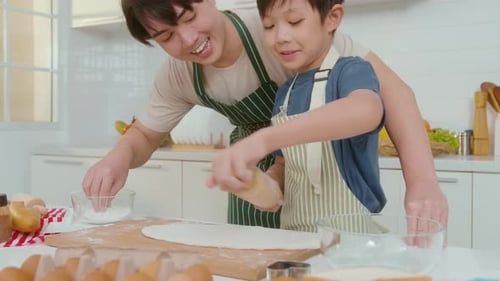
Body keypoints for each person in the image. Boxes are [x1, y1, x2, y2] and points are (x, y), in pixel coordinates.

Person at [82, 0, 448, 233]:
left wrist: (423, 181)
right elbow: (145, 134)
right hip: (265, 180)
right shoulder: (179, 74)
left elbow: (386, 98)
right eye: (166, 36)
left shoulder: (279, 28)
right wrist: (118, 158)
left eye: (189, 17)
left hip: (336, 210)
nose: (189, 39)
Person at [208, 0, 385, 232]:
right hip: (295, 238)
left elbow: (366, 110)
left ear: (332, 18)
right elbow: (285, 164)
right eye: (269, 26)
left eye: (294, 21)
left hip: (350, 240)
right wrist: (263, 184)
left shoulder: (351, 71)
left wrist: (264, 139)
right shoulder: (285, 93)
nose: (280, 36)